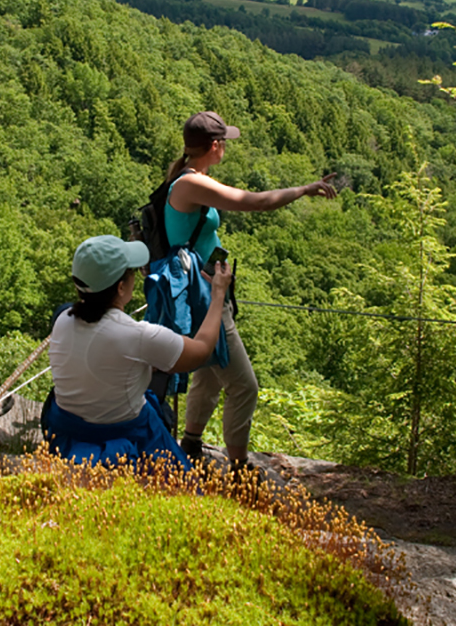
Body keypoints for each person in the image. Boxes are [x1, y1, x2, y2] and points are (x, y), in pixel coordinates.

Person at [166, 111, 335, 470]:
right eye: (224, 141)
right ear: (215, 146)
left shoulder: (189, 178)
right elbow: (255, 201)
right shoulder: (190, 183)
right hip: (204, 299)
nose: (226, 146)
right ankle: (240, 467)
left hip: (208, 292)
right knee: (244, 385)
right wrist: (305, 189)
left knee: (210, 373)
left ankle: (191, 444)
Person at [45, 234, 232, 469]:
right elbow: (202, 350)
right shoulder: (138, 336)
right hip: (125, 435)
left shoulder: (62, 320)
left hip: (66, 432)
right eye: (131, 272)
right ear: (121, 287)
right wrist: (217, 295)